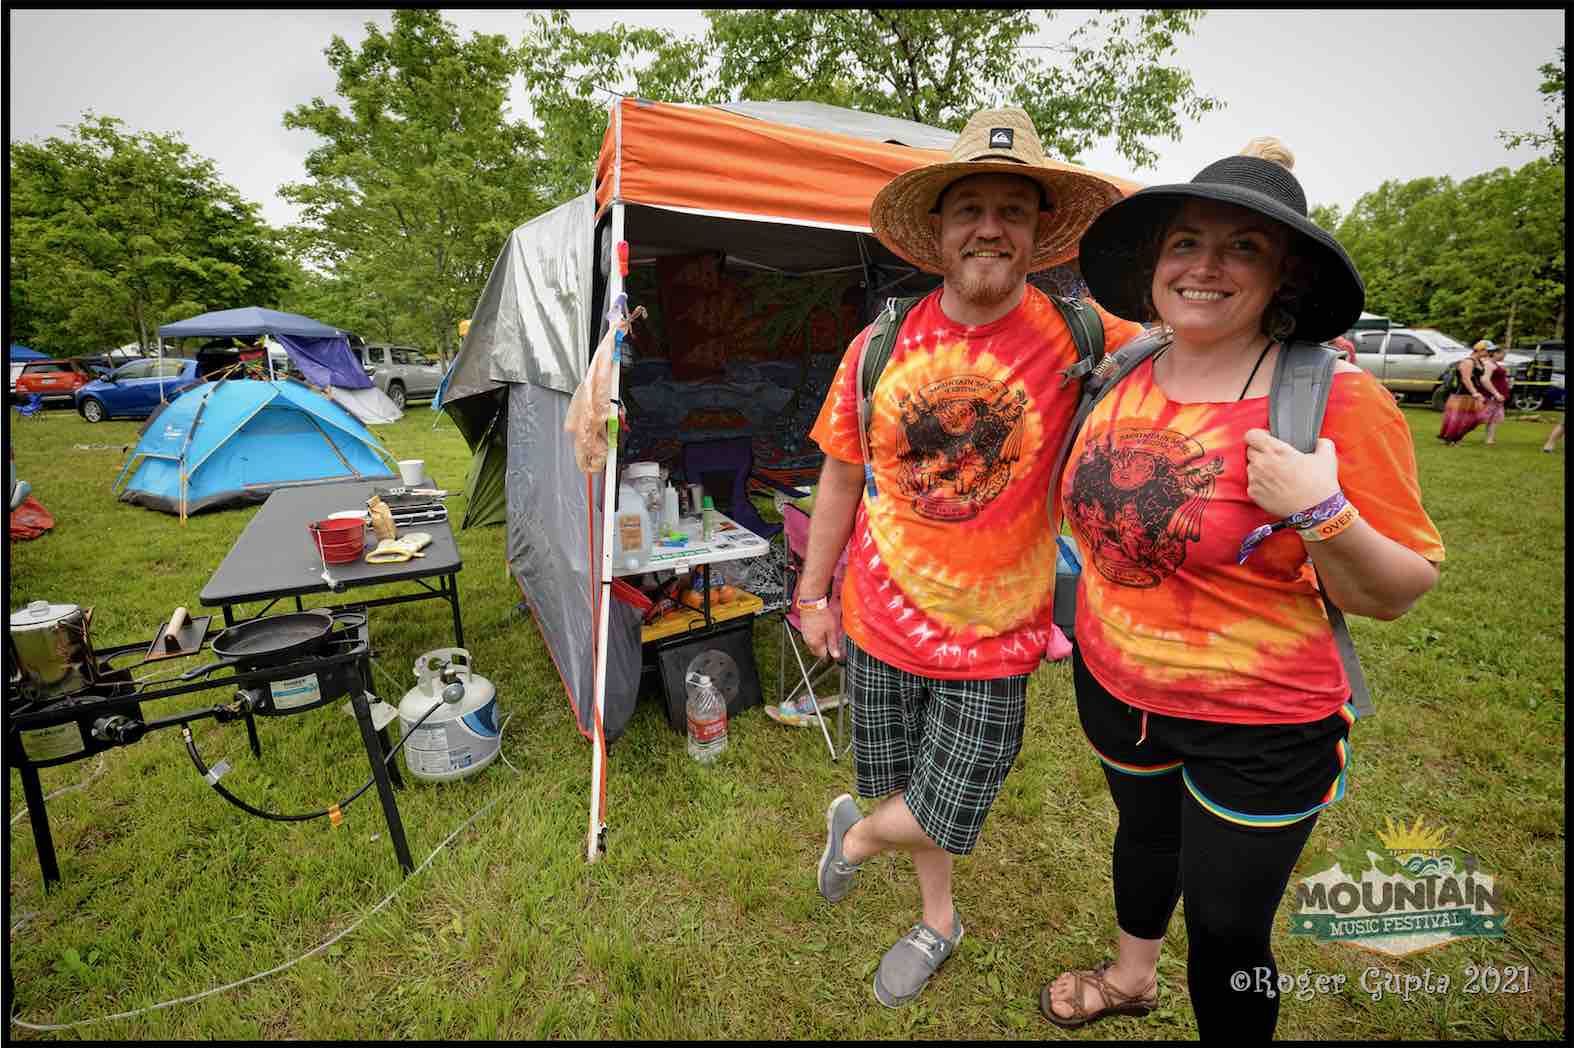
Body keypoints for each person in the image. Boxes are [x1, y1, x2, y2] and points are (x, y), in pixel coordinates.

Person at [1044, 137, 1445, 1038]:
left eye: (1243, 248)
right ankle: (1130, 976)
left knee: (1228, 931)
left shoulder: (1334, 400)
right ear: (1154, 265)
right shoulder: (1123, 372)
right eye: (1186, 242)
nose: (1206, 267)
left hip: (1262, 725)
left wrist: (1325, 511)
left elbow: (1399, 590)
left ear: (1283, 277)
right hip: (1115, 686)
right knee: (1143, 839)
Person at [795, 107, 1142, 1009]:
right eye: (970, 210)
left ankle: (858, 839)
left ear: (1036, 234)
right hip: (878, 612)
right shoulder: (879, 344)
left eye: (1013, 211)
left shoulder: (1083, 334)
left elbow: (1191, 349)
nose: (991, 227)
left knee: (954, 799)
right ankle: (938, 919)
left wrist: (1293, 344)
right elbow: (839, 477)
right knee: (909, 783)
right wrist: (811, 597)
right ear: (940, 234)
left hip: (999, 625)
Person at [1438, 340, 1493, 445]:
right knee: (1459, 419)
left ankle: (1456, 438)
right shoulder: (1468, 362)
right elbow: (1466, 379)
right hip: (1462, 395)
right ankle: (1451, 439)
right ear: (1480, 350)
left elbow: (1480, 379)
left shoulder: (1479, 362)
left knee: (1477, 418)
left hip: (1472, 394)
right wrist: (1475, 393)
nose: (1489, 353)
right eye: (1488, 350)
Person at [1478, 343, 1512, 445]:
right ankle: (1457, 434)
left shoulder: (1494, 363)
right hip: (1492, 396)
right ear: (1496, 353)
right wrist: (1496, 393)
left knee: (1493, 418)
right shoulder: (1488, 364)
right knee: (1482, 417)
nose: (1504, 357)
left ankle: (1490, 439)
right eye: (1503, 354)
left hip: (1497, 397)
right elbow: (1484, 380)